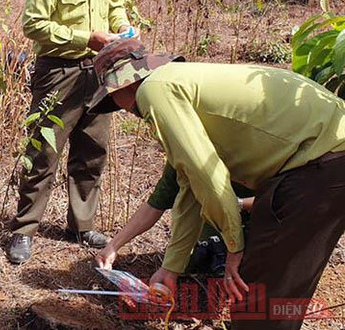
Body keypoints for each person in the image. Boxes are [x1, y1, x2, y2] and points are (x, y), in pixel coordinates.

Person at [87, 38, 345, 330]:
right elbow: (190, 187)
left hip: (320, 163)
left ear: (123, 84)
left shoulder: (154, 90)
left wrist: (234, 246)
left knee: (257, 302)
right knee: (277, 295)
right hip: (326, 156)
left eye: (113, 99)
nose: (120, 109)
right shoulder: (181, 83)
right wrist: (171, 268)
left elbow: (207, 175)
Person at [7, 0, 134, 264]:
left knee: (92, 151)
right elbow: (34, 24)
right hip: (59, 73)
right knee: (43, 152)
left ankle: (80, 224)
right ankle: (24, 228)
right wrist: (86, 38)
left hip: (99, 72)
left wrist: (124, 32)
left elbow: (116, 8)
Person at [96, 164, 255, 275]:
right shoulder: (184, 155)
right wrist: (113, 246)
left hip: (263, 218)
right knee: (197, 261)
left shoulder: (256, 149)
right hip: (216, 218)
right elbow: (155, 205)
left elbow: (278, 199)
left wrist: (235, 204)